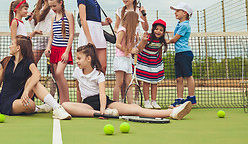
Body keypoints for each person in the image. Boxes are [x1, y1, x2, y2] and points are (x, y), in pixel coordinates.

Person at [62, 44, 192, 120]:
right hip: (88, 105)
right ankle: (99, 114)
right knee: (65, 105)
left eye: (79, 58)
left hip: (104, 102)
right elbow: (79, 90)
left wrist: (103, 109)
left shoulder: (99, 74)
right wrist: (79, 106)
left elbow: (102, 94)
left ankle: (171, 112)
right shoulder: (76, 72)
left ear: (89, 59)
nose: (77, 61)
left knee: (135, 109)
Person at [0, 35, 71, 120]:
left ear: (18, 48)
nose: (10, 46)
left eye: (12, 44)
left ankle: (57, 108)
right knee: (30, 105)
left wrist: (26, 91)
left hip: (23, 97)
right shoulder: (6, 61)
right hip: (8, 101)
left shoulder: (28, 62)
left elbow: (37, 75)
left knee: (34, 81)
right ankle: (38, 108)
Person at [113, 0, 149, 100]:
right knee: (120, 82)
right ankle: (118, 104)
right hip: (123, 51)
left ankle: (132, 104)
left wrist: (135, 40)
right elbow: (116, 28)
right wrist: (121, 35)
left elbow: (146, 28)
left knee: (130, 80)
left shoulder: (139, 11)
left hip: (131, 47)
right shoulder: (121, 13)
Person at [77, 0, 112, 73]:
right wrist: (89, 39)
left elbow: (94, 20)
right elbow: (83, 19)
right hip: (88, 33)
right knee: (86, 66)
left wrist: (104, 23)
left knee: (103, 66)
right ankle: (83, 89)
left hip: (98, 31)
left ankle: (99, 88)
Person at [44, 0, 74, 103]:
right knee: (56, 77)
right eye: (51, 6)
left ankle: (67, 101)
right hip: (54, 49)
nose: (53, 9)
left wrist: (66, 52)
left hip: (64, 49)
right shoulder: (53, 17)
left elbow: (71, 35)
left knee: (59, 73)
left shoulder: (69, 15)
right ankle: (62, 102)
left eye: (54, 6)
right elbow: (52, 35)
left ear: (60, 3)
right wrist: (48, 48)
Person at [167, 2, 196, 108]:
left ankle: (191, 97)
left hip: (185, 54)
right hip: (179, 54)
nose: (175, 12)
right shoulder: (180, 24)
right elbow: (175, 34)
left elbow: (174, 39)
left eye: (177, 11)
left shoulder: (185, 25)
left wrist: (165, 41)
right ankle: (179, 100)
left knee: (188, 76)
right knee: (179, 79)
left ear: (184, 13)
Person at [136, 19, 168, 109]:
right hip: (144, 61)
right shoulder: (148, 38)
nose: (158, 31)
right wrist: (143, 40)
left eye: (161, 30)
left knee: (155, 82)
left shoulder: (161, 41)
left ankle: (154, 101)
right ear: (153, 29)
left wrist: (159, 62)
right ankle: (146, 101)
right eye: (156, 29)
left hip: (154, 62)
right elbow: (140, 48)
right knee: (146, 82)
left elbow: (160, 50)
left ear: (163, 32)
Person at [28, 0, 56, 64]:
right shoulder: (39, 6)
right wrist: (31, 20)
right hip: (40, 38)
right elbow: (36, 26)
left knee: (52, 67)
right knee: (32, 63)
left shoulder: (54, 5)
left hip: (51, 38)